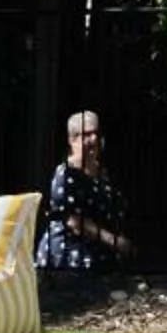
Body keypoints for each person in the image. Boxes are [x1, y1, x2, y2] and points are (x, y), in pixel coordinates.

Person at [40, 110, 133, 272]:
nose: (94, 139)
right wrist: (115, 242)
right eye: (87, 135)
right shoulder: (66, 174)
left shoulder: (104, 173)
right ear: (72, 140)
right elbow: (74, 221)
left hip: (101, 261)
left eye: (97, 134)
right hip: (68, 261)